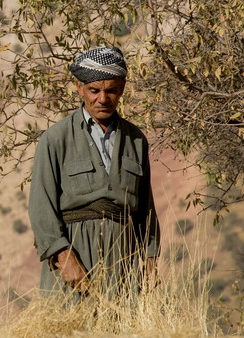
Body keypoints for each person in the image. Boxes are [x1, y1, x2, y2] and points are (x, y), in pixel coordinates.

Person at [28, 46, 159, 296]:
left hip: (124, 256)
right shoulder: (55, 138)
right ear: (79, 88)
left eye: (110, 90)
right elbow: (40, 206)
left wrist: (150, 260)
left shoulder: (136, 140)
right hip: (73, 254)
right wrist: (64, 258)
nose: (102, 99)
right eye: (94, 90)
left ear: (121, 89)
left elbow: (146, 209)